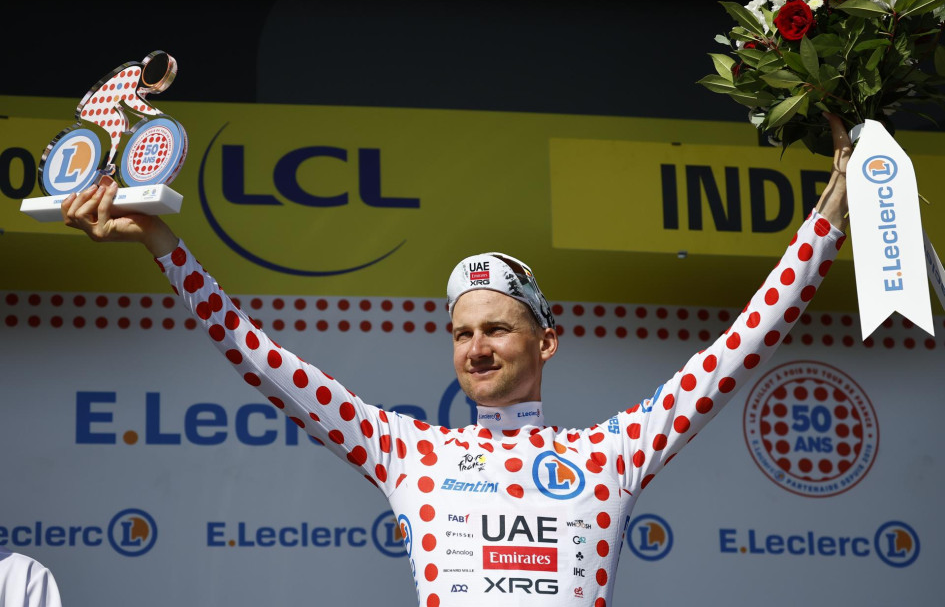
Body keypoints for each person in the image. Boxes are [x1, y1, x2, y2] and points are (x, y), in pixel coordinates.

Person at [61, 116, 851, 606]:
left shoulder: (609, 453)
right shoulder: (409, 451)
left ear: (545, 340)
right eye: (462, 332)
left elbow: (740, 344)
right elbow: (258, 356)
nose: (475, 348)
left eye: (498, 330)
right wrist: (167, 248)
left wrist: (825, 226)